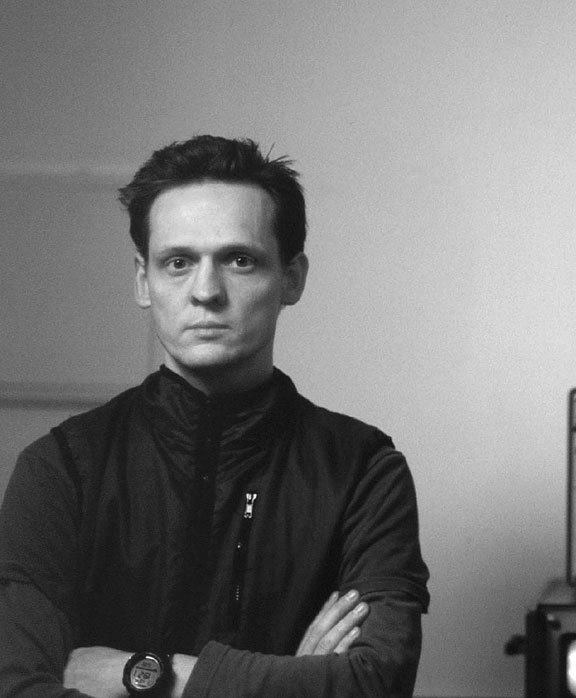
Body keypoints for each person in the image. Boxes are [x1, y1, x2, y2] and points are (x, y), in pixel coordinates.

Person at [0, 135, 429, 697]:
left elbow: (373, 683)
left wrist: (147, 674)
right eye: (178, 263)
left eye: (239, 260)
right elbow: (17, 686)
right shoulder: (61, 469)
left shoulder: (363, 472)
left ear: (292, 278)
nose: (206, 291)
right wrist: (292, 682)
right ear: (143, 280)